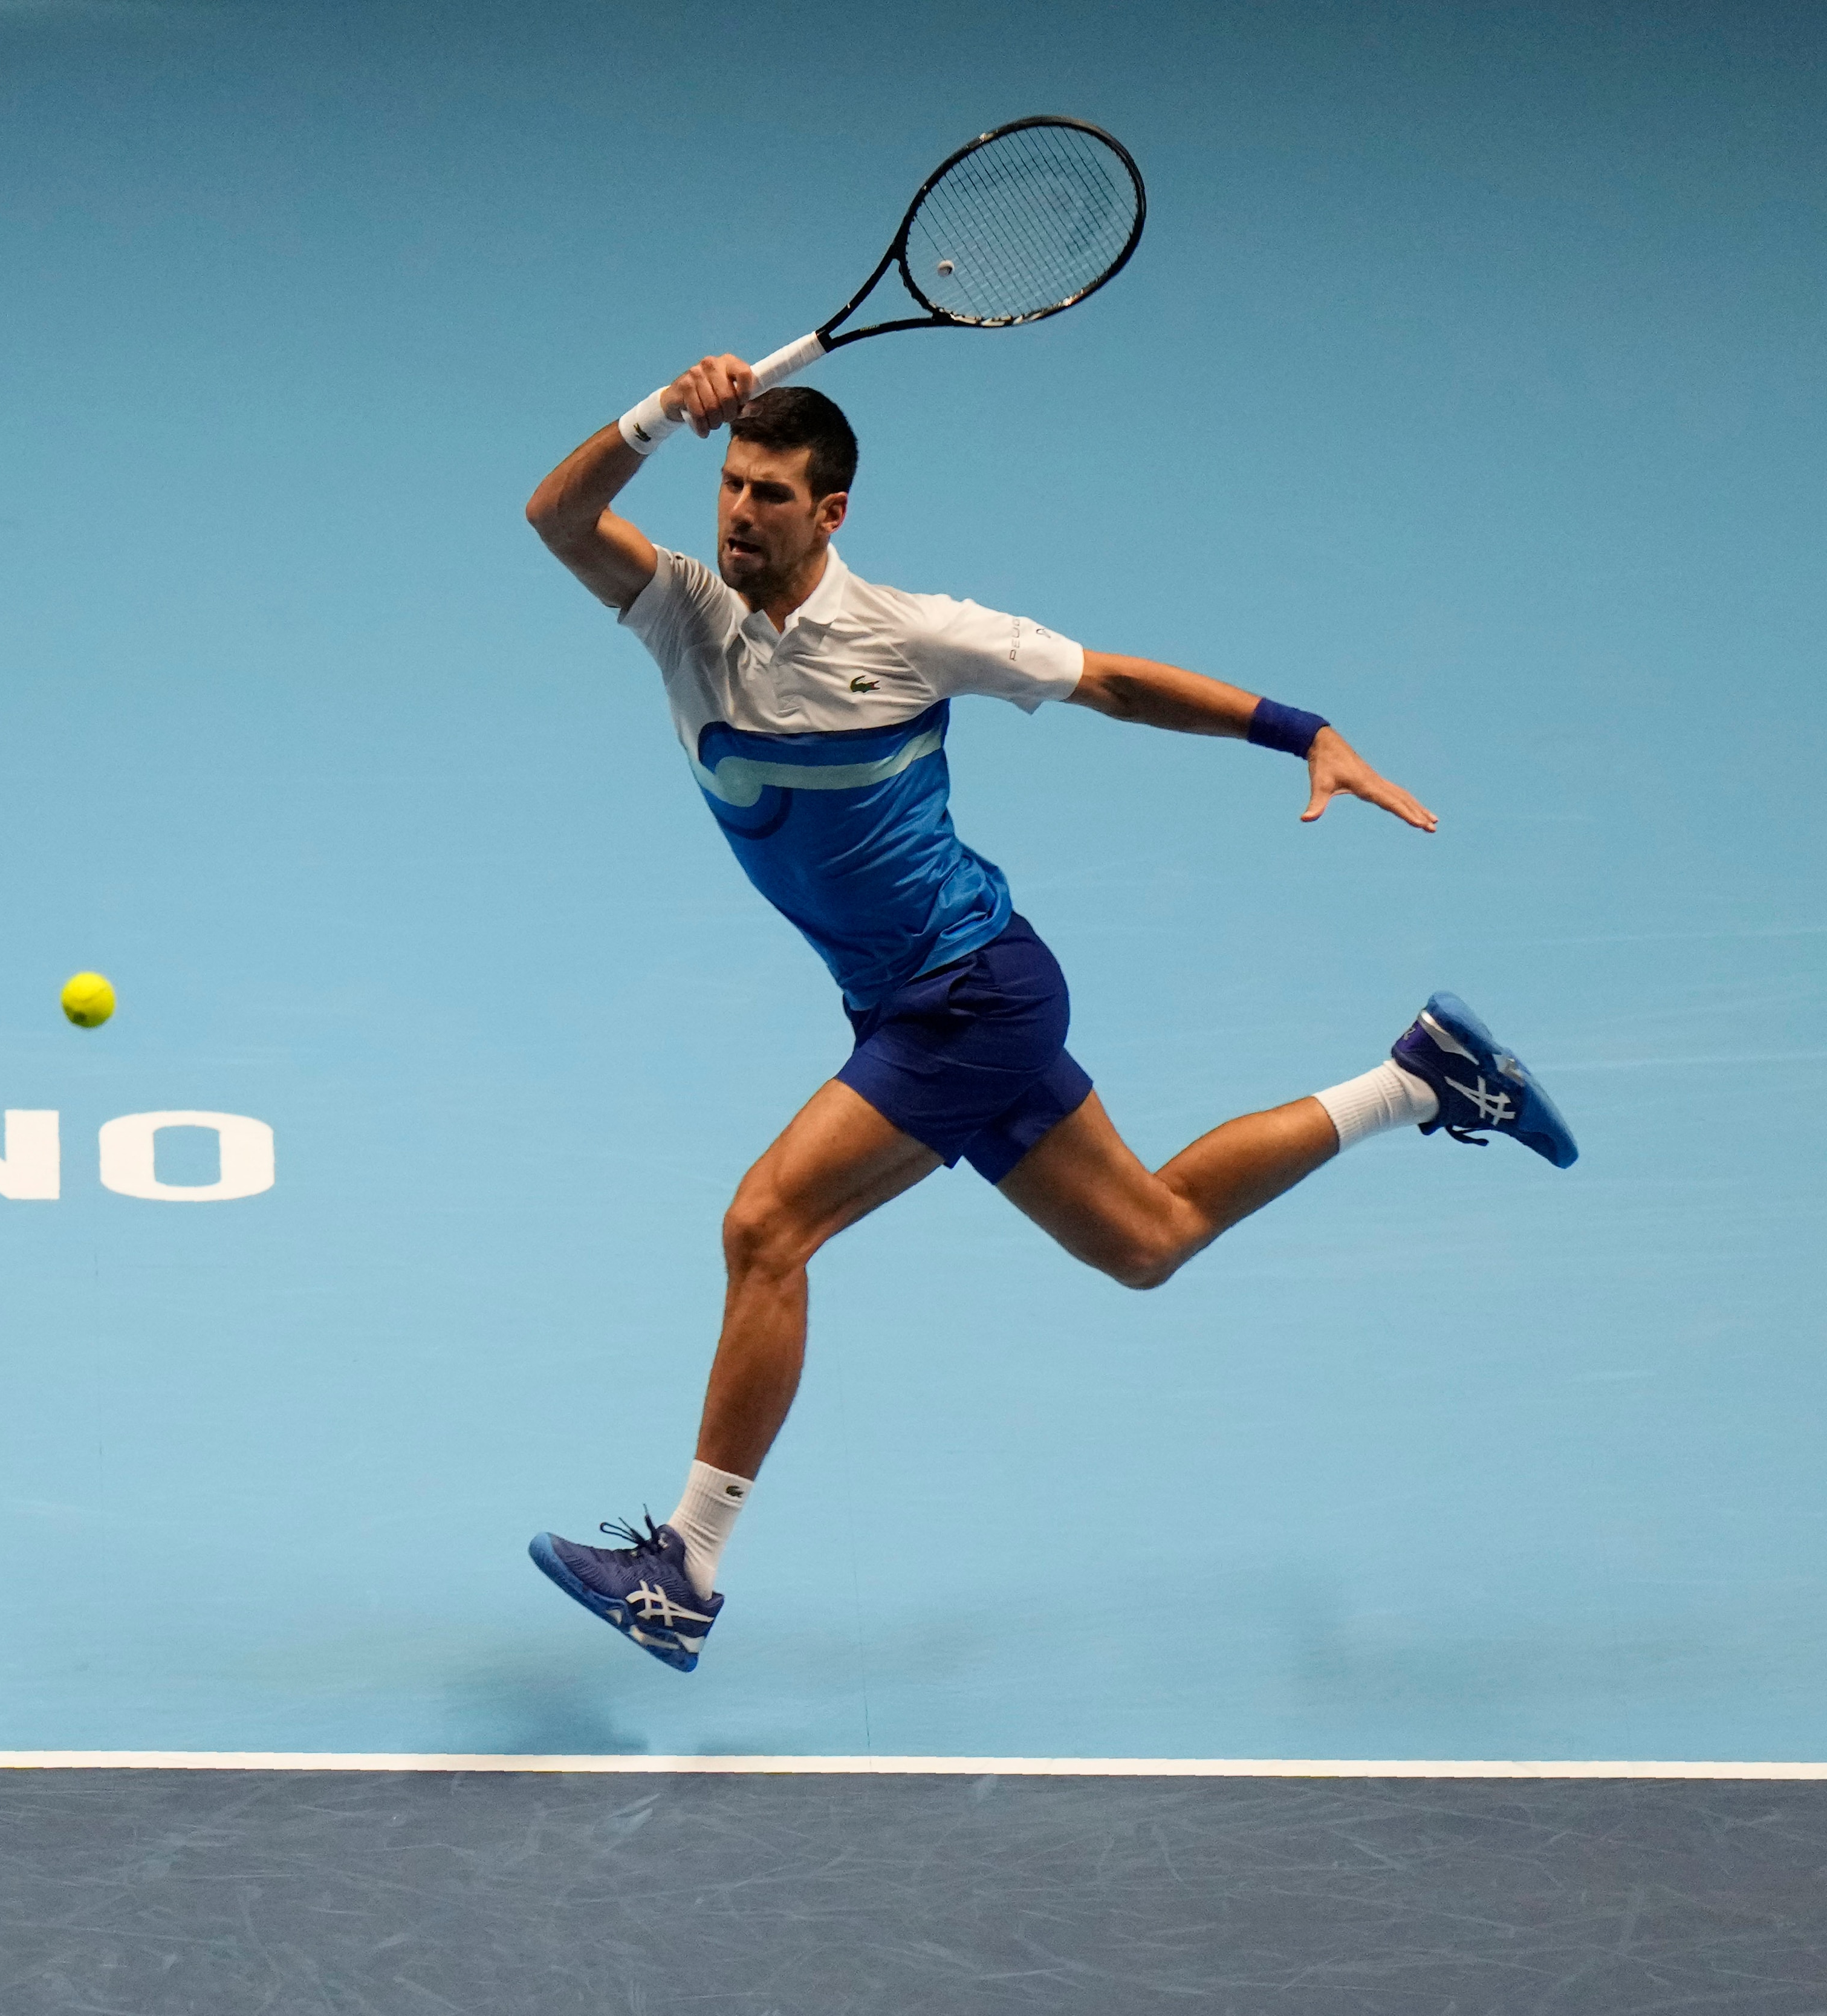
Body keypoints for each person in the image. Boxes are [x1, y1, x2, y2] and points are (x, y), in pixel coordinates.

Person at [520, 354, 1576, 1673]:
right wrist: (653, 418)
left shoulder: (910, 633)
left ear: (830, 513)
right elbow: (558, 517)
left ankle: (684, 1563)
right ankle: (1423, 1078)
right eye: (729, 485)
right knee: (1147, 1236)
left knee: (767, 1224)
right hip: (909, 1002)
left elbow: (1113, 683)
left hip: (969, 996)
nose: (737, 513)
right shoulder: (682, 610)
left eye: (771, 494)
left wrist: (1299, 728)